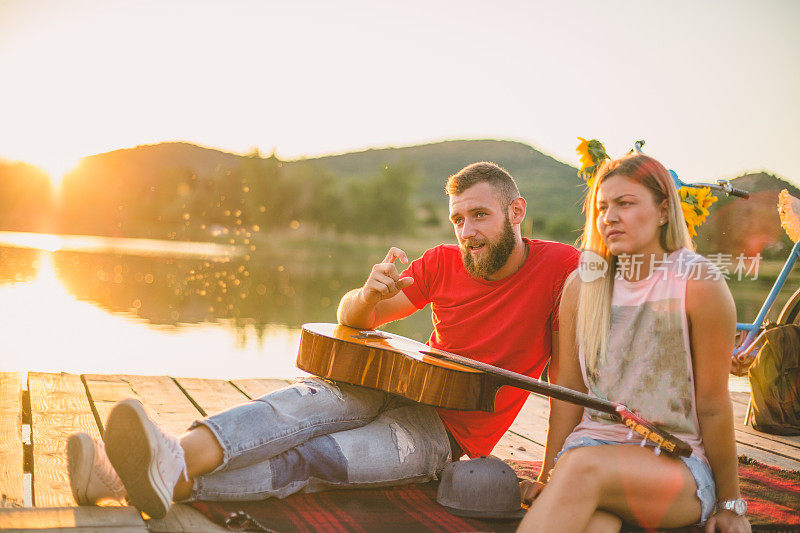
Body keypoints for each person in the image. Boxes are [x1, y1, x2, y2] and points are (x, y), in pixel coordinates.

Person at [66, 161, 579, 519]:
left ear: (517, 212)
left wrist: (552, 473)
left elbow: (566, 379)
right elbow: (354, 320)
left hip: (446, 436)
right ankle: (169, 454)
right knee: (293, 409)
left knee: (314, 458)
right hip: (389, 388)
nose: (466, 231)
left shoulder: (564, 269)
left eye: (480, 216)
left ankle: (123, 478)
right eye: (458, 219)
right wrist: (366, 293)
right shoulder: (442, 262)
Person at [517, 154, 750, 533]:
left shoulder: (697, 282)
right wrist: (547, 475)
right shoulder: (582, 286)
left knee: (581, 470)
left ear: (662, 211)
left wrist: (731, 505)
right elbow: (569, 393)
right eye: (602, 207)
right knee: (596, 526)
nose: (609, 216)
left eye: (625, 203)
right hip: (589, 451)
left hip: (675, 464)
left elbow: (712, 404)